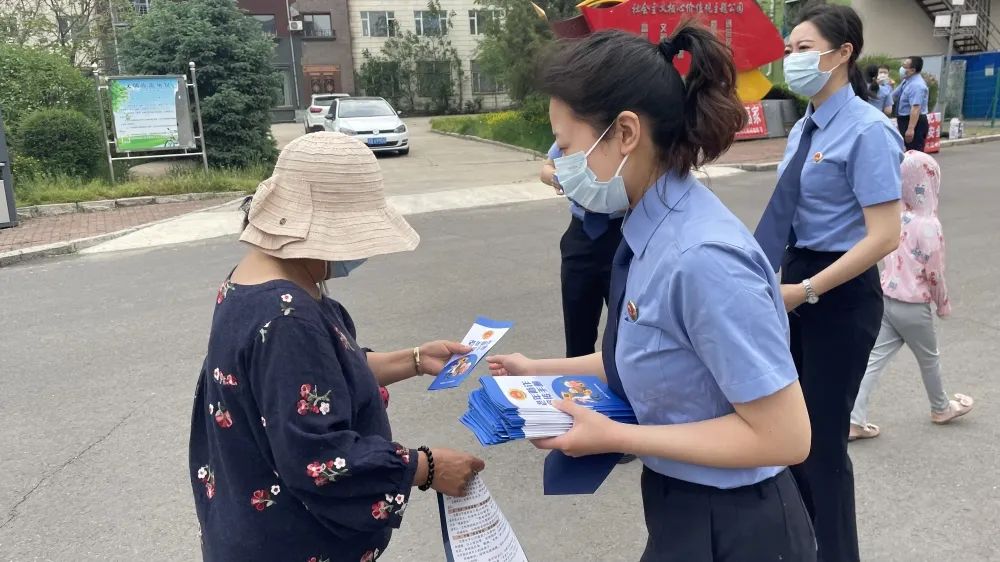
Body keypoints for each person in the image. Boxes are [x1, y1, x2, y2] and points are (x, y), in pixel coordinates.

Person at [491, 24, 816, 561]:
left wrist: (617, 436)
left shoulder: (702, 259)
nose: (557, 164)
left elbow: (784, 437)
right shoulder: (649, 226)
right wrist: (540, 368)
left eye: (567, 146)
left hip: (738, 524)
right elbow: (651, 354)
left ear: (624, 133)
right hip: (683, 503)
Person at [188, 132, 485, 561]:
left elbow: (312, 385)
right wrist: (428, 467)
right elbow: (320, 459)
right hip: (291, 543)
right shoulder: (288, 315)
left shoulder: (252, 281)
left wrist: (416, 359)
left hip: (247, 530)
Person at [759, 5, 904, 561]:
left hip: (838, 295)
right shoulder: (803, 125)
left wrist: (810, 290)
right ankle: (800, 547)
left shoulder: (869, 130)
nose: (793, 60)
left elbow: (885, 235)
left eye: (804, 48)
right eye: (789, 49)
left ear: (843, 53)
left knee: (821, 447)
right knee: (788, 438)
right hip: (795, 282)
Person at [849, 150, 974, 440]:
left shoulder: (897, 217)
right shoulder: (928, 225)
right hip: (914, 306)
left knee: (873, 360)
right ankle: (941, 407)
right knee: (929, 358)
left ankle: (853, 418)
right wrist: (943, 305)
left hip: (888, 299)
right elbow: (935, 274)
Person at [540, 146, 624, 359]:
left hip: (622, 234)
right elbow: (547, 167)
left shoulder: (625, 134)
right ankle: (577, 387)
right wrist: (557, 177)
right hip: (580, 235)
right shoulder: (576, 126)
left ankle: (622, 384)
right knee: (577, 329)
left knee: (624, 328)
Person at [893, 56, 930, 151]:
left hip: (914, 122)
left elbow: (916, 108)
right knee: (907, 152)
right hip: (904, 120)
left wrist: (910, 129)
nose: (902, 68)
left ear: (913, 70)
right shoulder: (907, 81)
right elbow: (894, 95)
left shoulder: (917, 85)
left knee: (915, 153)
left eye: (904, 66)